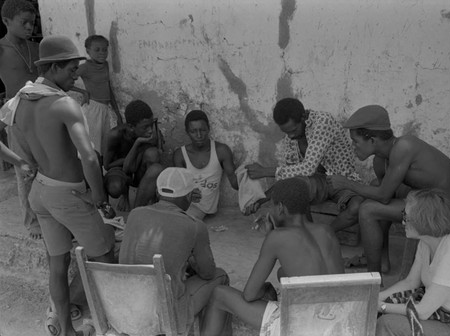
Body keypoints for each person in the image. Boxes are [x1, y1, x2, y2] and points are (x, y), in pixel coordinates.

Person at [12, 35, 115, 336]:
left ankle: (68, 330)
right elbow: (89, 158)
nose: (75, 76)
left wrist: (27, 165)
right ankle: (111, 325)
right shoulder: (63, 104)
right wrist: (98, 198)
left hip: (40, 190)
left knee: (57, 263)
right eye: (71, 69)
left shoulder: (20, 102)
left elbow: (21, 149)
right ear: (54, 67)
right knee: (104, 256)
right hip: (66, 193)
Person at [328, 105, 450, 274]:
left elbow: (384, 196)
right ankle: (382, 262)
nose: (353, 146)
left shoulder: (404, 146)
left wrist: (347, 183)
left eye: (356, 141)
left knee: (368, 209)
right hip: (429, 202)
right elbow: (384, 196)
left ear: (373, 140)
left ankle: (372, 278)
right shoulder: (380, 160)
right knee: (374, 187)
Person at [200, 177, 345, 336]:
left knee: (219, 294)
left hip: (304, 325)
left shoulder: (277, 238)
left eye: (271, 206)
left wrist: (264, 289)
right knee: (282, 273)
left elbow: (249, 295)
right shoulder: (327, 231)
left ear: (281, 208)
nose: (270, 211)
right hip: (337, 320)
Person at [119, 167, 230, 335]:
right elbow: (207, 273)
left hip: (128, 305)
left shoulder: (135, 214)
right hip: (164, 314)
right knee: (220, 276)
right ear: (189, 196)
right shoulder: (194, 226)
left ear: (157, 191)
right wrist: (191, 257)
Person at [376, 189, 450, 336]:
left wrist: (381, 307)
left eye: (407, 217)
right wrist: (376, 297)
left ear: (424, 221)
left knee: (387, 323)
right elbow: (411, 282)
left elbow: (423, 312)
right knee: (385, 304)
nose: (403, 221)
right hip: (441, 312)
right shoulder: (427, 242)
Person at [245, 97, 363, 231]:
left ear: (303, 118)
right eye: (286, 132)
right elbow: (289, 178)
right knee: (293, 191)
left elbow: (308, 167)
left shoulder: (323, 121)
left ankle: (324, 233)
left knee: (357, 207)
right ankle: (310, 235)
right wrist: (261, 199)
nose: (290, 136)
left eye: (293, 130)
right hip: (317, 182)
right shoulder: (290, 139)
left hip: (343, 179)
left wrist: (265, 171)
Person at [0, 0, 41, 239]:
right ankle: (32, 220)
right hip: (15, 116)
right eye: (23, 22)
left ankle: (49, 212)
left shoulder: (36, 48)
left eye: (32, 22)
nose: (29, 27)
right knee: (24, 169)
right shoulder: (1, 50)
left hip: (40, 113)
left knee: (47, 166)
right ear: (6, 21)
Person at [173, 110, 238, 219]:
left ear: (208, 128)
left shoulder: (221, 150)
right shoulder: (180, 154)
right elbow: (178, 186)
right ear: (187, 132)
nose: (199, 135)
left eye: (202, 130)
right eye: (193, 131)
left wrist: (246, 175)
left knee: (182, 222)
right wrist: (187, 194)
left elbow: (235, 182)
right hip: (184, 204)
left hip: (201, 208)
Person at [103, 99, 164, 211]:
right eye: (146, 127)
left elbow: (155, 157)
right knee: (115, 187)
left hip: (137, 167)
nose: (150, 131)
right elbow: (107, 165)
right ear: (131, 127)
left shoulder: (150, 134)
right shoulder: (115, 135)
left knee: (153, 154)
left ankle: (143, 202)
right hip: (119, 169)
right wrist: (137, 144)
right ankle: (124, 195)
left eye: (151, 125)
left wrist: (155, 140)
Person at [73, 34, 123, 155]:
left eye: (105, 49)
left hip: (104, 109)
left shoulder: (105, 65)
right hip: (92, 109)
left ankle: (101, 171)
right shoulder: (85, 67)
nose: (102, 53)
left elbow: (108, 89)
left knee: (104, 144)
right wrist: (83, 92)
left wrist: (117, 113)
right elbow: (65, 81)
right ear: (88, 51)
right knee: (92, 145)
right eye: (97, 50)